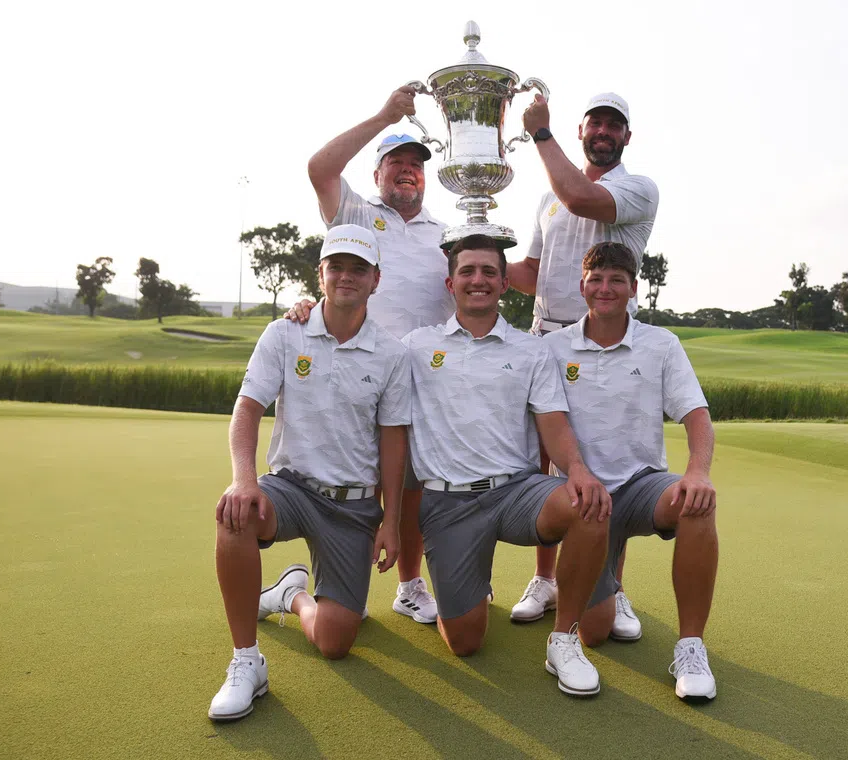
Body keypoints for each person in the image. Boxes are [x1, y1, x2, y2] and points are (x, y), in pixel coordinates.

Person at [208, 225, 411, 721]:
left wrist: (390, 521)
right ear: (320, 274)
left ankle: (291, 596)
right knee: (235, 514)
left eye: (358, 268)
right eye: (336, 266)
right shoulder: (284, 332)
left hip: (354, 506)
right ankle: (246, 661)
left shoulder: (392, 354)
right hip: (292, 487)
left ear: (376, 279)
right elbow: (247, 409)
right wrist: (244, 478)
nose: (346, 276)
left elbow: (393, 443)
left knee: (335, 641)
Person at [404, 233, 611, 697]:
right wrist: (306, 309)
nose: (478, 280)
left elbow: (553, 424)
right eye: (467, 271)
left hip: (516, 492)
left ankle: (564, 639)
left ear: (503, 283)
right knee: (464, 641)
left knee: (590, 506)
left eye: (489, 272)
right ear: (450, 282)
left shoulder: (530, 350)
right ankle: (471, 587)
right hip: (447, 501)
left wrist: (577, 469)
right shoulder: (416, 346)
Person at [505, 93, 660, 638]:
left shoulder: (634, 188)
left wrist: (540, 135)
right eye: (596, 121)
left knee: (606, 462)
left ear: (625, 137)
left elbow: (581, 198)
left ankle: (611, 590)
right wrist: (468, 255)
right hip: (547, 341)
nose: (604, 130)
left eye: (614, 125)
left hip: (607, 344)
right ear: (582, 129)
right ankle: (545, 579)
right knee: (547, 464)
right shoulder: (548, 198)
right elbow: (531, 271)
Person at [303, 85, 453, 625]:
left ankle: (411, 584)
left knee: (411, 488)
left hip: (427, 380)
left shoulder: (447, 232)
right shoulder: (357, 217)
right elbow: (320, 168)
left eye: (415, 164)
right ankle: (330, 584)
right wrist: (386, 117)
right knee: (349, 479)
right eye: (396, 163)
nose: (407, 171)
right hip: (359, 372)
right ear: (377, 173)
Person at [545, 241, 719, 700]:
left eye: (616, 280)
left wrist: (697, 472)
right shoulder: (552, 348)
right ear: (583, 285)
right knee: (596, 633)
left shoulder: (661, 343)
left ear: (633, 287)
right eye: (597, 279)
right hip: (584, 499)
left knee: (697, 505)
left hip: (642, 486)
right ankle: (611, 589)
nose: (606, 288)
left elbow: (697, 416)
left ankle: (691, 647)